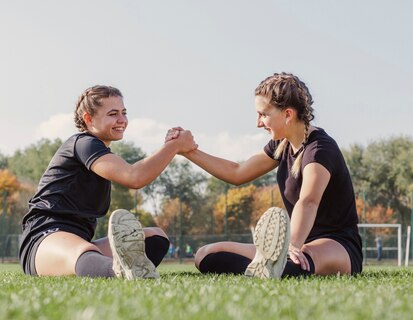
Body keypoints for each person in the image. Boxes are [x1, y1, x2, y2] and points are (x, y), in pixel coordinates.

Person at [168, 72, 362, 278]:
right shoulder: (281, 144)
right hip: (294, 244)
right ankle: (267, 266)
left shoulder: (320, 150)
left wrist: (292, 246)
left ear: (288, 114)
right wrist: (188, 150)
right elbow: (237, 173)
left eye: (263, 114)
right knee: (205, 255)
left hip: (336, 245)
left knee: (296, 261)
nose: (258, 123)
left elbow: (308, 202)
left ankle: (278, 265)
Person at [19, 85, 197, 278]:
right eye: (113, 114)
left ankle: (122, 266)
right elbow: (134, 177)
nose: (122, 120)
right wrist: (174, 146)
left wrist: (170, 146)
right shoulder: (83, 143)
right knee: (82, 252)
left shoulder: (102, 154)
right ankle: (118, 271)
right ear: (88, 119)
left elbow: (136, 173)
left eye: (124, 112)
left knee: (156, 237)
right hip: (44, 238)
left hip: (81, 240)